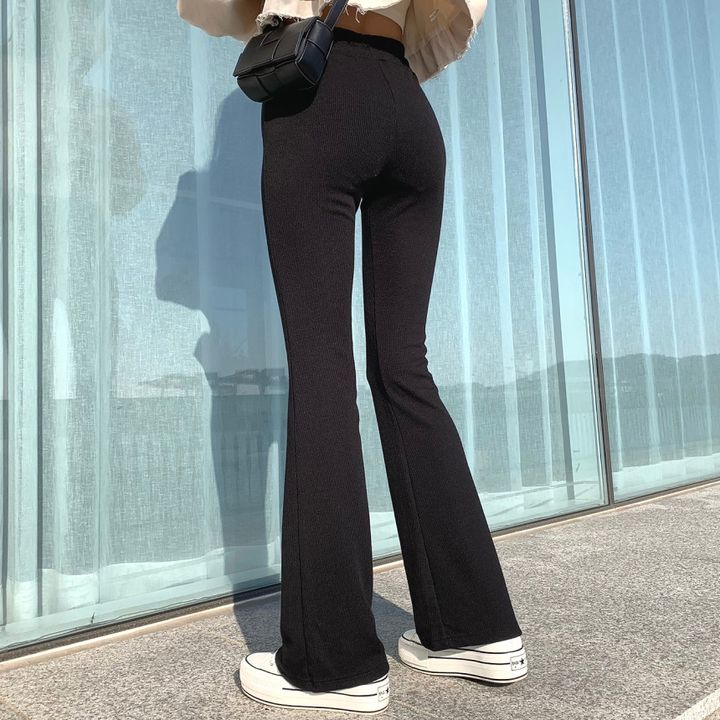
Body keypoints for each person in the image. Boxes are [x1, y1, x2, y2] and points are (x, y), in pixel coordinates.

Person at [177, 0, 528, 713]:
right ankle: (478, 629)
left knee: (322, 369)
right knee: (405, 369)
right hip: (409, 110)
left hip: (320, 92)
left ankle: (333, 664)